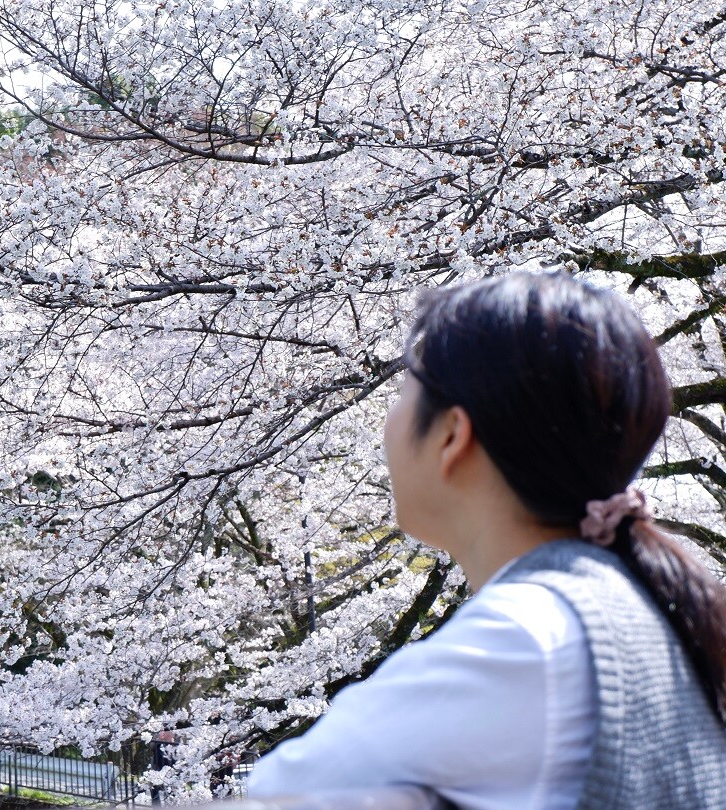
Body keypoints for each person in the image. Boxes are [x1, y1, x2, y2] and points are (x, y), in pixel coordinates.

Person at [247, 272, 726, 809]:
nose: (388, 420)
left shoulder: (521, 640)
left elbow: (270, 797)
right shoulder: (634, 605)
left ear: (452, 435)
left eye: (404, 390)